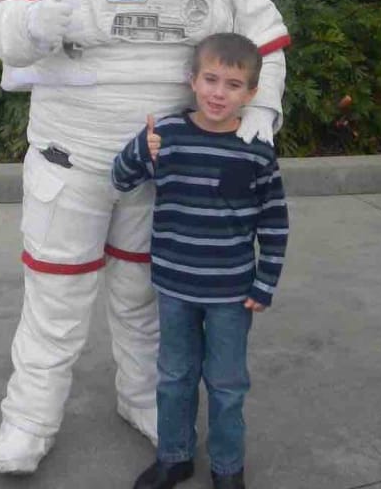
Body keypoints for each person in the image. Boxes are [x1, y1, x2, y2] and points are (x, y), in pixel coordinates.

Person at [0, 0, 290, 475]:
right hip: (74, 152)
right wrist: (44, 22)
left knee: (144, 297)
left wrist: (263, 108)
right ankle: (28, 421)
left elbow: (264, 32)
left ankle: (144, 398)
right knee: (56, 295)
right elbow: (3, 13)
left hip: (164, 162)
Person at [111, 33, 289, 489]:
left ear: (251, 93)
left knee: (227, 385)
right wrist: (140, 149)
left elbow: (273, 222)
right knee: (174, 376)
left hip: (232, 293)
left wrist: (265, 281)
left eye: (233, 84)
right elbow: (121, 179)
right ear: (192, 80)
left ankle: (228, 468)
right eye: (210, 79)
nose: (218, 93)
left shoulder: (256, 148)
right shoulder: (167, 135)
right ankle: (174, 456)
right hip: (174, 288)